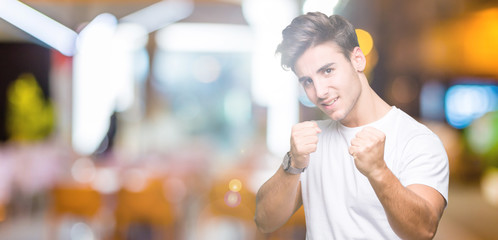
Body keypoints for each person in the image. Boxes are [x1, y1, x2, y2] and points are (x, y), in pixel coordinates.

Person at [254, 12, 449, 239]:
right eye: (307, 81)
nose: (319, 92)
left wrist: (379, 172)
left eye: (327, 71)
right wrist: (292, 164)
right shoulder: (312, 142)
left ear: (358, 59)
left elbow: (423, 231)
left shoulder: (417, 140)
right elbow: (264, 221)